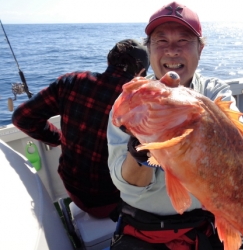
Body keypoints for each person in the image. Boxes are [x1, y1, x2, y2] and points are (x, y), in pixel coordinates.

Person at [107, 2, 243, 250]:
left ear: (200, 48)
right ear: (149, 48)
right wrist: (138, 153)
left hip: (205, 223)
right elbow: (125, 183)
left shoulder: (215, 92)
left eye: (183, 40)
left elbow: (239, 156)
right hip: (142, 229)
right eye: (161, 41)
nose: (172, 51)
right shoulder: (134, 101)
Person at [12, 39, 150, 219]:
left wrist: (59, 139)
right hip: (112, 199)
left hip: (73, 190)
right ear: (141, 73)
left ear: (109, 60)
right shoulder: (142, 101)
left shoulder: (70, 81)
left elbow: (22, 117)